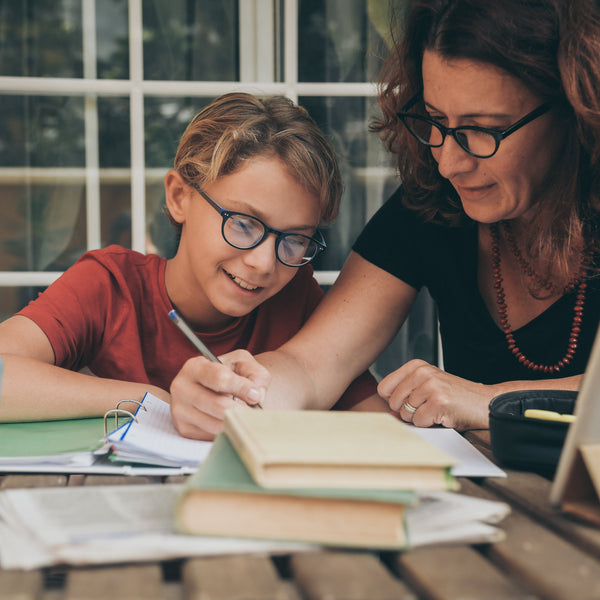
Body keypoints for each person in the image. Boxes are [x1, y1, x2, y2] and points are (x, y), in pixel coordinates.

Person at [171, 0, 600, 437]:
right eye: (435, 121)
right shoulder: (434, 201)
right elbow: (312, 364)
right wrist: (238, 395)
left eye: (483, 129)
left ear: (575, 106)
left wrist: (492, 401)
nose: (449, 162)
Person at [0, 92, 381, 433]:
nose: (264, 263)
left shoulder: (297, 301)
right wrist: (154, 401)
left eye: (295, 239)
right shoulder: (110, 286)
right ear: (180, 196)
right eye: (243, 224)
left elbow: (379, 426)